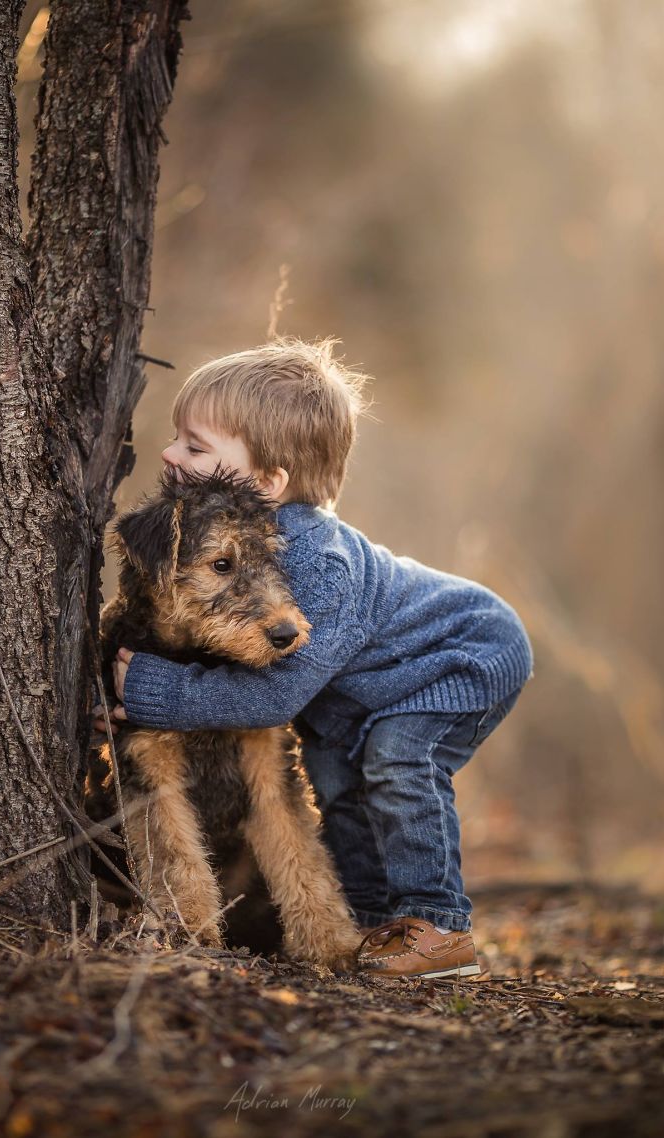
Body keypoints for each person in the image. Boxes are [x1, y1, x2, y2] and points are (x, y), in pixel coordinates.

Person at [99, 338, 533, 978]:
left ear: (269, 482)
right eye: (177, 439)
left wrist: (153, 690)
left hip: (464, 650)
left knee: (396, 759)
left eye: (195, 447)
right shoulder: (257, 536)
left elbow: (276, 695)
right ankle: (367, 923)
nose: (169, 455)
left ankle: (438, 924)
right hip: (373, 687)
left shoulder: (318, 563)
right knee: (332, 776)